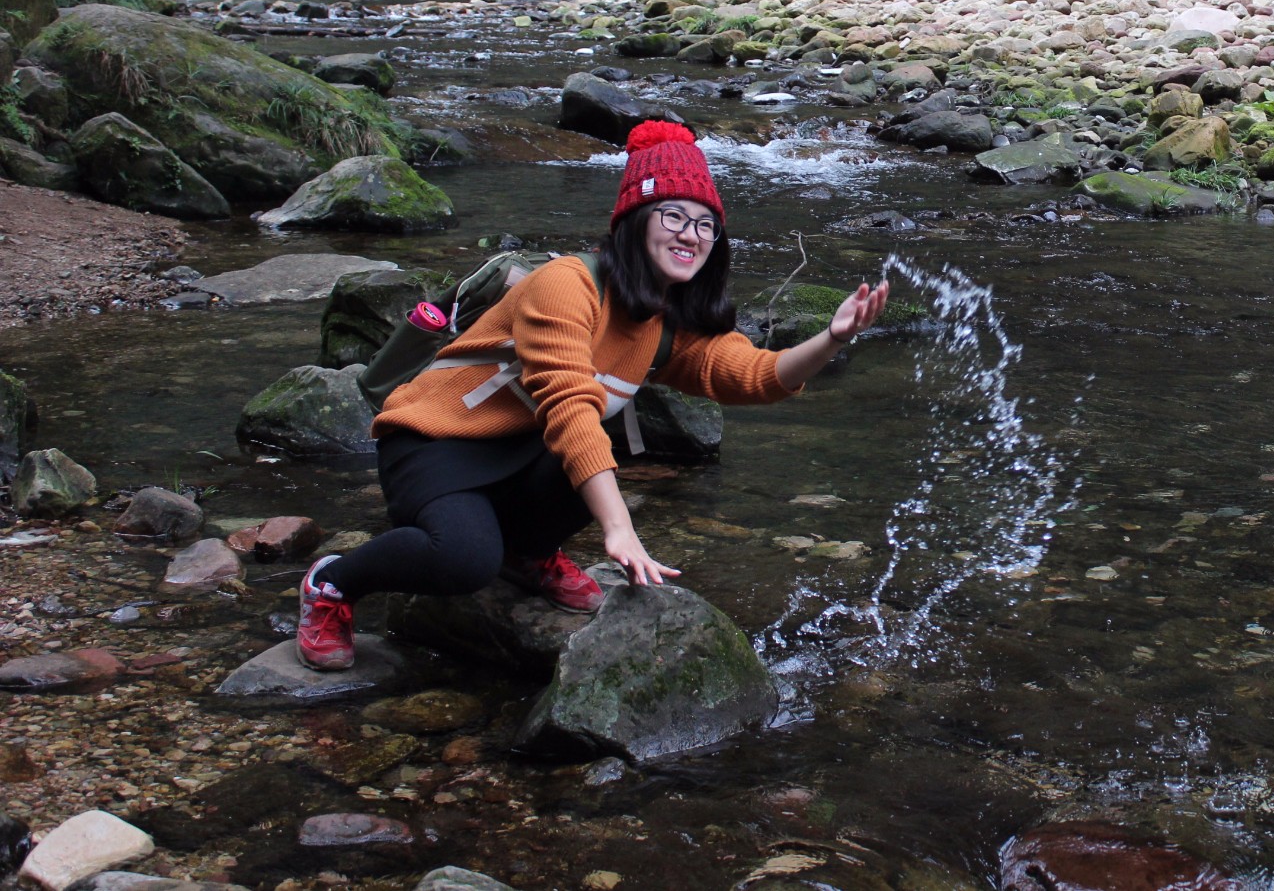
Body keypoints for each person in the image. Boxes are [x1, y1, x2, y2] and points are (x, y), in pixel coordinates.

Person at [295, 119, 890, 670]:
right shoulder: (566, 284)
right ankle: (333, 582)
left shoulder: (665, 319)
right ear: (636, 220)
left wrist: (832, 338)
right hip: (437, 442)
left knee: (599, 450)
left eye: (705, 224)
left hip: (519, 449)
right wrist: (620, 528)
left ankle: (527, 555)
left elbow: (752, 374)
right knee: (462, 559)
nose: (692, 235)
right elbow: (568, 407)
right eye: (674, 217)